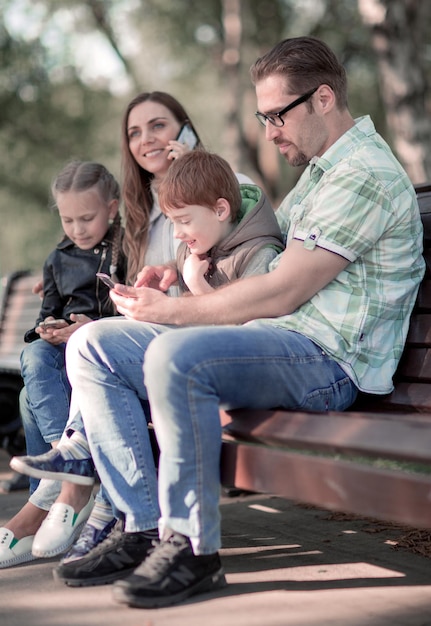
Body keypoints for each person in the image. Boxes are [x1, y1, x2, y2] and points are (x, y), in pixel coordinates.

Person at [11, 35, 426, 608]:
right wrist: (177, 275)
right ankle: (143, 527)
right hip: (281, 343)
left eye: (277, 114)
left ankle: (192, 549)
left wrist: (174, 311)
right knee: (94, 344)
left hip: (330, 361)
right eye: (263, 115)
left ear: (324, 98)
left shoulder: (363, 174)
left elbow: (284, 289)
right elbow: (260, 259)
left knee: (175, 356)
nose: (270, 129)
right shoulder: (322, 174)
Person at [0, 91, 208, 569]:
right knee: (34, 380)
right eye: (134, 132)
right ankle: (59, 479)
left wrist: (197, 164)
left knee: (57, 376)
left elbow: (199, 261)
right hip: (126, 331)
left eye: (159, 125)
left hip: (158, 338)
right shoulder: (143, 208)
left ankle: (60, 493)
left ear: (186, 127)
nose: (146, 139)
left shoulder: (190, 193)